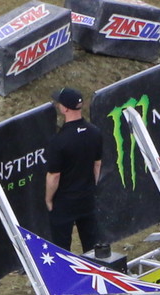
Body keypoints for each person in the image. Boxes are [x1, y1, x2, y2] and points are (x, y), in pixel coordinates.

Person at [42, 87, 106, 254]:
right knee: (92, 248)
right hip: (87, 198)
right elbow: (97, 164)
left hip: (64, 202)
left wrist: (48, 199)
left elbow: (54, 175)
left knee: (62, 250)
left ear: (65, 109)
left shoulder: (59, 141)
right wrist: (91, 187)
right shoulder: (95, 132)